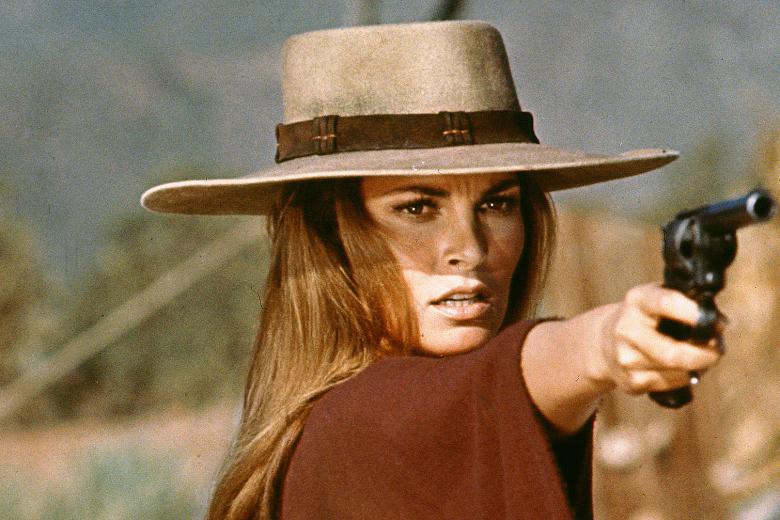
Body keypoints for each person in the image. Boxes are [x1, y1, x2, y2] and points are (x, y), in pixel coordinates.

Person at [141, 21, 722, 520]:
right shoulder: (354, 424)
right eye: (417, 208)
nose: (470, 249)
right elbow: (491, 389)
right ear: (331, 236)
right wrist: (601, 343)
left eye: (497, 203)